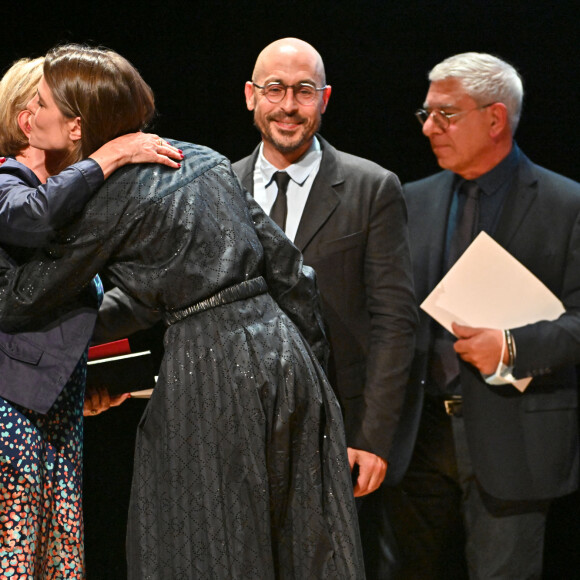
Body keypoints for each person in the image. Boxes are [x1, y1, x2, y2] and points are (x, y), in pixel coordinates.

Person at [0, 43, 365, 578]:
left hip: (210, 364)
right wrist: (314, 384)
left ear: (78, 126)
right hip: (286, 356)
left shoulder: (104, 198)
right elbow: (293, 274)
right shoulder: (205, 158)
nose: (33, 117)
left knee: (205, 534)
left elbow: (23, 298)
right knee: (298, 535)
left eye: (46, 104)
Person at [232, 37, 418, 576]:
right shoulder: (219, 184)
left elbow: (394, 323)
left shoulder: (372, 187)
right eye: (275, 89)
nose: (288, 105)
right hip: (240, 425)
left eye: (304, 91)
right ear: (250, 96)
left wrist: (372, 437)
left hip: (337, 428)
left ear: (325, 99)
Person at [395, 52, 580, 579]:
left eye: (445, 115)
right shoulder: (411, 200)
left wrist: (512, 346)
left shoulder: (567, 205)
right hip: (419, 438)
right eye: (425, 114)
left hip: (514, 439)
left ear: (495, 119)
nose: (430, 128)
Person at [0, 55, 182, 577]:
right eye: (60, 106)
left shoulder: (70, 208)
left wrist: (78, 391)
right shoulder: (10, 184)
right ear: (27, 121)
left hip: (50, 420)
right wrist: (113, 154)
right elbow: (28, 220)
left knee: (55, 564)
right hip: (13, 419)